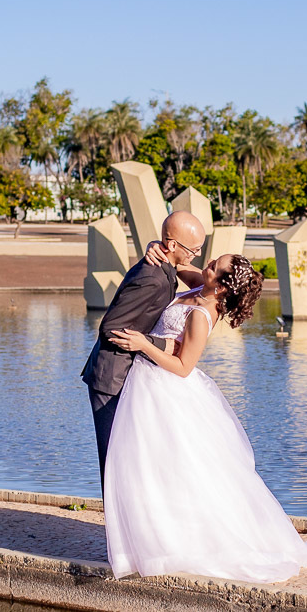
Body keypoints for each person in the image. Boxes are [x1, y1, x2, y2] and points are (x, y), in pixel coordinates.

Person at [104, 252, 307, 583]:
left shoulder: (201, 315)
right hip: (150, 386)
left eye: (213, 267)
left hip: (165, 388)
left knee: (167, 467)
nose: (206, 266)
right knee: (156, 467)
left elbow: (183, 367)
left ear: (220, 288)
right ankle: (156, 536)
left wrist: (142, 344)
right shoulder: (201, 286)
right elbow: (178, 265)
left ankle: (173, 542)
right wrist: (156, 248)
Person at [81, 211, 207, 493]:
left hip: (134, 376)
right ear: (173, 245)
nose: (197, 256)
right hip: (111, 378)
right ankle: (116, 534)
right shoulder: (152, 276)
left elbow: (194, 278)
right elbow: (110, 328)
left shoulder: (166, 267)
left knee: (132, 459)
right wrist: (161, 345)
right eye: (194, 249)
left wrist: (157, 245)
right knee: (114, 460)